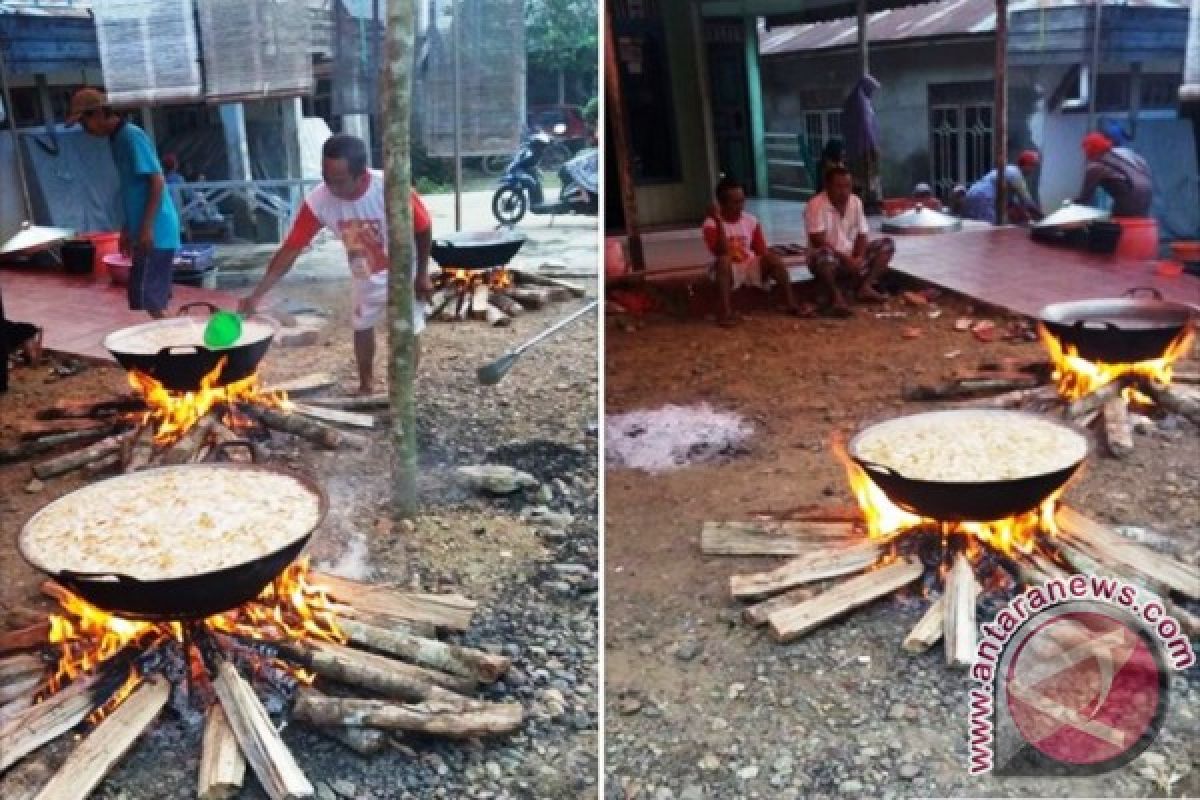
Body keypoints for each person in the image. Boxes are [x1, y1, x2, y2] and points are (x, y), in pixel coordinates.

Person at [239, 134, 433, 395]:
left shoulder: (390, 187)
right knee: (362, 326)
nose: (331, 187)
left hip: (403, 270)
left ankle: (404, 392)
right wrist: (257, 294)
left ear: (361, 174)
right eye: (326, 177)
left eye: (339, 181)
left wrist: (422, 275)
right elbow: (290, 250)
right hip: (364, 271)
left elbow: (423, 227)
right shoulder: (318, 201)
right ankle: (366, 386)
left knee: (408, 330)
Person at [68, 89, 180, 318]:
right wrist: (128, 228)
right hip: (144, 229)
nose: (85, 129)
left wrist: (147, 228)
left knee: (151, 301)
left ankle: (177, 346)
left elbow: (157, 181)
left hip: (157, 231)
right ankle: (174, 342)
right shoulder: (116, 139)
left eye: (83, 122)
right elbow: (133, 188)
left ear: (98, 113)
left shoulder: (131, 137)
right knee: (147, 298)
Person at [702, 175, 808, 327]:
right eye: (736, 202)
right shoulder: (710, 224)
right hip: (725, 269)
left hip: (748, 265)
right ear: (722, 204)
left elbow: (761, 251)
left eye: (742, 201)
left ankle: (791, 303)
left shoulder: (750, 220)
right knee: (724, 260)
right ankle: (725, 312)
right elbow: (721, 252)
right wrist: (719, 222)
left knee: (773, 259)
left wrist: (768, 265)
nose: (741, 206)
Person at [805, 166, 895, 317]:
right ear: (827, 187)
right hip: (826, 260)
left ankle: (865, 287)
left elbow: (862, 234)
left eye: (847, 186)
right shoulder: (816, 204)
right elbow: (817, 240)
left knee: (886, 245)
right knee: (825, 254)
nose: (844, 191)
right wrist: (846, 259)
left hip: (850, 257)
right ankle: (836, 296)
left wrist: (858, 258)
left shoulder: (856, 202)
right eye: (838, 186)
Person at [1075, 132, 1153, 218]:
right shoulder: (1124, 153)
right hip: (1147, 196)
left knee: (1114, 226)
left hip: (1129, 199)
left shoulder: (1096, 166)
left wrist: (1072, 206)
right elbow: (1145, 167)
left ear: (1088, 151)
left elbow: (1085, 198)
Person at [962, 150, 1043, 225]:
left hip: (972, 193)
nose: (1033, 170)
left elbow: (1011, 202)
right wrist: (1045, 219)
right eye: (1033, 166)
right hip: (983, 197)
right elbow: (1028, 203)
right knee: (988, 231)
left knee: (974, 229)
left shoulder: (1009, 169)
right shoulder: (1016, 174)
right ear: (1026, 165)